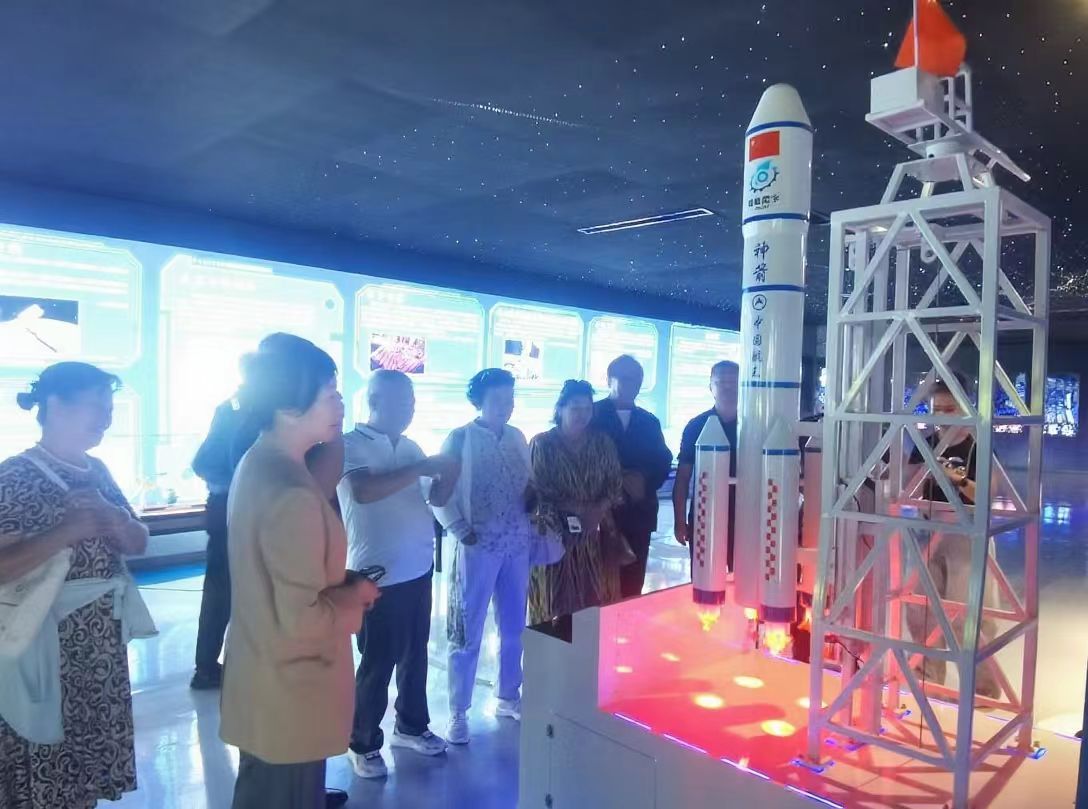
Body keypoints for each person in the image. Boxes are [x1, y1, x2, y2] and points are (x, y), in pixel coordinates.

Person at [220, 337, 379, 809]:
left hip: (265, 678)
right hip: (291, 692)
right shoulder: (291, 491)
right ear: (289, 406)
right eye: (330, 393)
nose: (340, 404)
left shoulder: (261, 461)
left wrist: (340, 582)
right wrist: (356, 599)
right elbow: (303, 619)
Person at [0, 362, 152, 809]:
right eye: (95, 407)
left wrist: (115, 519)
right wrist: (66, 532)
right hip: (44, 642)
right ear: (55, 405)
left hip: (98, 647)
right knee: (43, 748)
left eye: (110, 409)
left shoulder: (96, 470)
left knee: (87, 749)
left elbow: (138, 542)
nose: (105, 418)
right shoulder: (15, 476)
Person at [189, 335, 343, 693]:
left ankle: (213, 665)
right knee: (229, 591)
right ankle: (208, 665)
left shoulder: (249, 426)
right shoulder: (265, 445)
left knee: (231, 591)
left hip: (239, 512)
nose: (337, 402)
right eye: (328, 392)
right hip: (282, 664)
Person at [337, 370, 459, 779]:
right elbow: (363, 491)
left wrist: (448, 475)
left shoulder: (411, 447)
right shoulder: (350, 445)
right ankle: (362, 741)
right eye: (402, 401)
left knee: (415, 653)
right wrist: (422, 466)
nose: (410, 409)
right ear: (375, 401)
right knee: (377, 660)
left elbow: (433, 498)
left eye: (412, 401)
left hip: (418, 567)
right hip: (374, 574)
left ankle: (411, 725)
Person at [433, 369, 533, 745]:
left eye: (510, 399)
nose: (506, 406)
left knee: (514, 626)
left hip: (516, 544)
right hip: (477, 546)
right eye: (498, 400)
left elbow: (529, 481)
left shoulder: (517, 436)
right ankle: (458, 710)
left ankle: (508, 695)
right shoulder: (460, 438)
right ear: (479, 401)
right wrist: (460, 528)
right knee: (467, 628)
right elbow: (437, 491)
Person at [905, 378, 1000, 699]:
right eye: (937, 409)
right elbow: (908, 486)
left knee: (968, 616)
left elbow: (987, 494)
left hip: (966, 535)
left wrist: (955, 478)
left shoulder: (977, 445)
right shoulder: (926, 443)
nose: (943, 416)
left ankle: (982, 689)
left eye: (950, 408)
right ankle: (927, 679)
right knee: (922, 611)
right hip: (928, 531)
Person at [528, 380, 627, 628]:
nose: (581, 414)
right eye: (575, 408)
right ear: (560, 409)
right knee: (553, 604)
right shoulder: (542, 444)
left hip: (596, 533)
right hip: (555, 534)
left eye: (587, 409)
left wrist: (598, 509)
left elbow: (615, 484)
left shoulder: (602, 443)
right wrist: (581, 509)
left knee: (595, 601)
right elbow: (539, 488)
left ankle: (589, 648)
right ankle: (551, 649)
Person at [592, 356, 673, 599]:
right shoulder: (591, 415)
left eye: (637, 380)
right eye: (625, 379)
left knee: (632, 586)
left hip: (638, 515)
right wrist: (617, 480)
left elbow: (662, 460)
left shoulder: (649, 421)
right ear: (609, 380)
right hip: (598, 515)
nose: (632, 385)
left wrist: (644, 480)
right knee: (595, 586)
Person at [672, 361, 740, 569]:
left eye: (733, 381)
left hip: (745, 516)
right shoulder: (696, 426)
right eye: (721, 382)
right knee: (705, 575)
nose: (727, 387)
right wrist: (679, 520)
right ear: (711, 387)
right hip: (704, 516)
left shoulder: (754, 425)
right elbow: (683, 477)